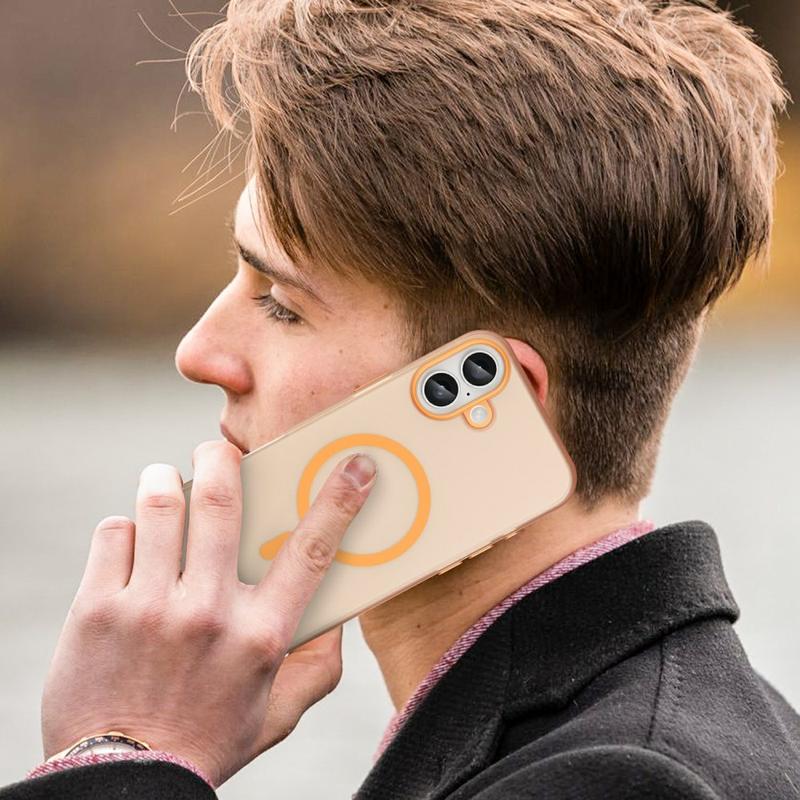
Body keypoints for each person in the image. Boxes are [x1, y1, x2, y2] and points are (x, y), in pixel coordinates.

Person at [2, 0, 798, 797]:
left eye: (282, 304)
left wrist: (123, 752)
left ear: (494, 416)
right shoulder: (691, 733)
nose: (199, 353)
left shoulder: (614, 782)